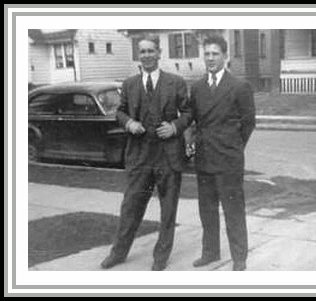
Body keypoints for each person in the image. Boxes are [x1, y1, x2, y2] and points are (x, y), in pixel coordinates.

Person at [100, 35, 192, 271]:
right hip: (139, 157)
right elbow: (119, 112)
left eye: (151, 51)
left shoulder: (176, 82)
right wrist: (129, 122)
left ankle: (161, 257)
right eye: (142, 52)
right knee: (130, 206)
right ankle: (118, 253)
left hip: (168, 156)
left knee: (168, 210)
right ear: (137, 55)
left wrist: (174, 127)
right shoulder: (129, 84)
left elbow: (189, 113)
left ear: (159, 53)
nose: (147, 55)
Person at [189, 35, 256, 271]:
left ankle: (239, 257)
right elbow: (195, 120)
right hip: (205, 160)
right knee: (207, 211)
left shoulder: (239, 86)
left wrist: (233, 147)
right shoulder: (197, 87)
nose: (210, 58)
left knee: (233, 211)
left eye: (215, 54)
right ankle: (210, 252)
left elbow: (248, 122)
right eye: (206, 54)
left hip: (228, 161)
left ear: (225, 57)